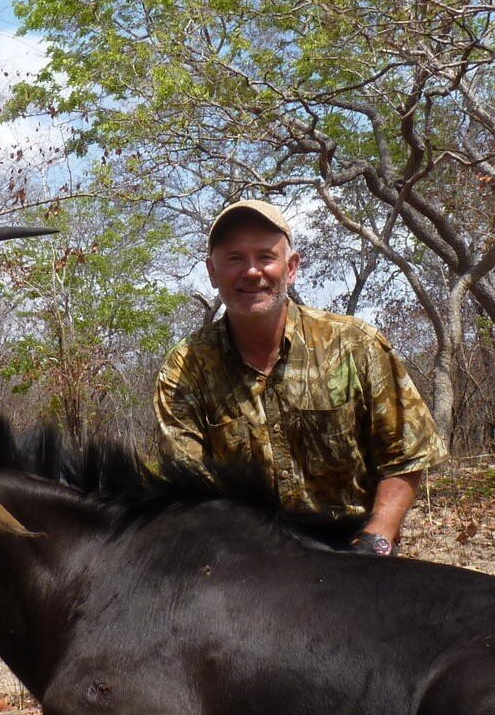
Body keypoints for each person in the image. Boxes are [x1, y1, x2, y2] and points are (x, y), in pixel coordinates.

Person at [153, 199, 446, 554]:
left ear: (291, 268)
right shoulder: (184, 368)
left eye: (265, 257)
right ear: (212, 271)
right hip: (244, 557)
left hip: (352, 549)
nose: (251, 272)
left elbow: (408, 454)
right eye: (234, 259)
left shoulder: (355, 344)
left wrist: (377, 537)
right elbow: (190, 492)